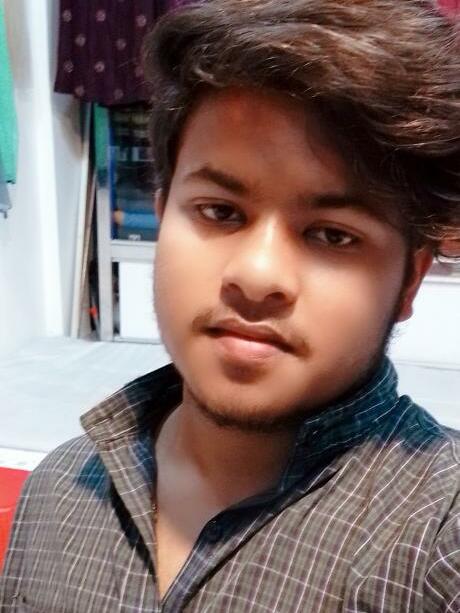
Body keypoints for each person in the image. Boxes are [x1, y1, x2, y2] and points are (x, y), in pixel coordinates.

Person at [1, 1, 459, 611]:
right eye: (220, 212)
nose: (256, 275)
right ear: (162, 218)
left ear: (408, 283)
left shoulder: (440, 546)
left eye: (332, 235)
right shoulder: (59, 490)